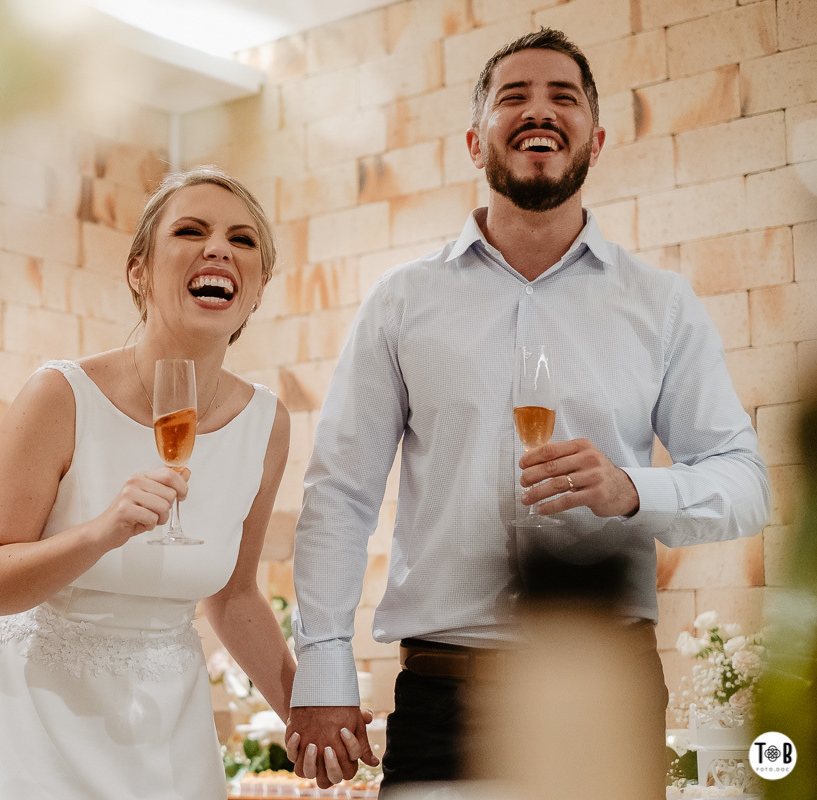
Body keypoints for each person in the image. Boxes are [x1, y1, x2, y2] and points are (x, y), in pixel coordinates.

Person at [284, 28, 770, 793]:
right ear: (476, 142)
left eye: (563, 98)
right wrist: (322, 665)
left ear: (596, 139)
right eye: (514, 97)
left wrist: (633, 489)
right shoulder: (401, 303)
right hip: (443, 693)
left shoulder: (663, 305)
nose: (538, 111)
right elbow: (340, 493)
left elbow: (747, 484)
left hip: (606, 688)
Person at [0, 167, 296, 799]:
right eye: (191, 230)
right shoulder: (60, 396)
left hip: (166, 740)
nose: (219, 249)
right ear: (139, 271)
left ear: (258, 285)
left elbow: (235, 596)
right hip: (29, 732)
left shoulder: (267, 423)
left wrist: (306, 712)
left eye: (243, 241)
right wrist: (100, 534)